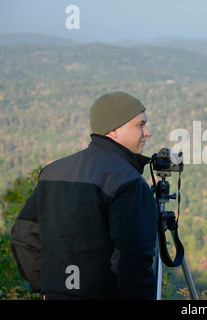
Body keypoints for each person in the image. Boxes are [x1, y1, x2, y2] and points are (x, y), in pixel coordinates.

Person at [10, 91, 158, 299]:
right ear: (114, 129)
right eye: (140, 124)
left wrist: (48, 286)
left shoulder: (52, 172)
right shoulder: (127, 181)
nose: (147, 132)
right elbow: (132, 261)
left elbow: (23, 235)